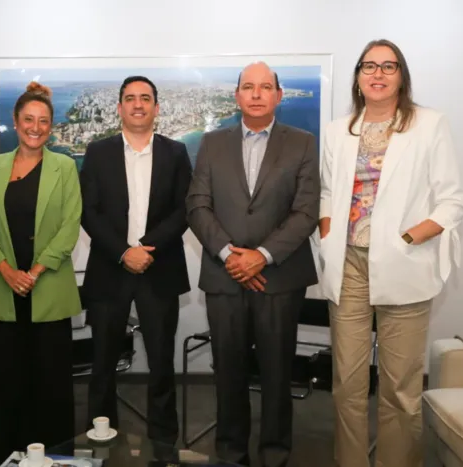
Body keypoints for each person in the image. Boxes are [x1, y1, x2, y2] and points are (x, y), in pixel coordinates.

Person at [318, 39, 463, 467]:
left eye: (388, 66)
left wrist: (409, 238)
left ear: (402, 76)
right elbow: (328, 192)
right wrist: (328, 232)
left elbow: (453, 200)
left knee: (399, 388)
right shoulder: (337, 130)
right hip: (348, 265)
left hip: (405, 266)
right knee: (346, 384)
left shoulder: (429, 124)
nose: (378, 74)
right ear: (358, 78)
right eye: (369, 66)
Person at [186, 62, 320, 467]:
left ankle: (275, 455)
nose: (257, 93)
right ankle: (230, 454)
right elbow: (197, 205)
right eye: (249, 87)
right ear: (237, 96)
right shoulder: (211, 143)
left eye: (266, 87)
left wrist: (260, 256)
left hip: (279, 277)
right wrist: (230, 254)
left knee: (277, 373)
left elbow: (306, 211)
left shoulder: (302, 143)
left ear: (278, 95)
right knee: (228, 373)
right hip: (224, 277)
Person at [0, 81, 82, 467]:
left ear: (51, 127)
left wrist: (34, 272)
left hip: (49, 291)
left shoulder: (65, 166)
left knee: (52, 390)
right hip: (5, 294)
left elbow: (70, 226)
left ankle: (57, 462)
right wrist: (6, 271)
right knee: (8, 388)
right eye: (28, 120)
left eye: (43, 121)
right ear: (15, 123)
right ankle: (8, 460)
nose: (36, 127)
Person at [80, 76, 192, 444]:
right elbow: (89, 211)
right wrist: (124, 251)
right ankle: (101, 440)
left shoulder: (176, 153)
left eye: (146, 98)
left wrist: (144, 246)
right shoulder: (98, 152)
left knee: (162, 364)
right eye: (130, 98)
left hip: (159, 270)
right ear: (119, 108)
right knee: (102, 365)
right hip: (109, 271)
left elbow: (184, 209)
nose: (138, 104)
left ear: (157, 108)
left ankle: (163, 444)